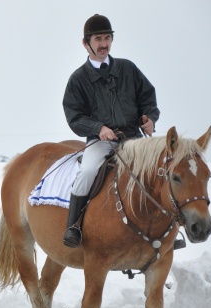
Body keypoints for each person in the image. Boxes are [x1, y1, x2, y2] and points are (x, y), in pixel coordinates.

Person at [62, 14, 160, 248]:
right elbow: (74, 117)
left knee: (158, 172)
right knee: (86, 172)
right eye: (98, 39)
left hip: (134, 139)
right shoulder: (77, 80)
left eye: (107, 37)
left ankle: (164, 231)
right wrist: (99, 128)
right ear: (86, 43)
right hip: (101, 141)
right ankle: (73, 226)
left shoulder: (128, 68)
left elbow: (148, 98)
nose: (104, 43)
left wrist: (149, 118)